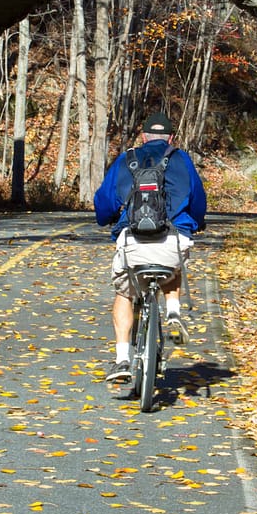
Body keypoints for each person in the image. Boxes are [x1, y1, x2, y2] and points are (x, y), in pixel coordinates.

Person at [94, 111, 207, 384]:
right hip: (171, 241)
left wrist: (107, 218)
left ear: (143, 136)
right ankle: (173, 312)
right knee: (174, 262)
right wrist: (196, 223)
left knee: (125, 292)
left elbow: (105, 201)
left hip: (133, 243)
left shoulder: (127, 160)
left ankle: (122, 359)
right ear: (171, 137)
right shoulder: (181, 159)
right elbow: (198, 198)